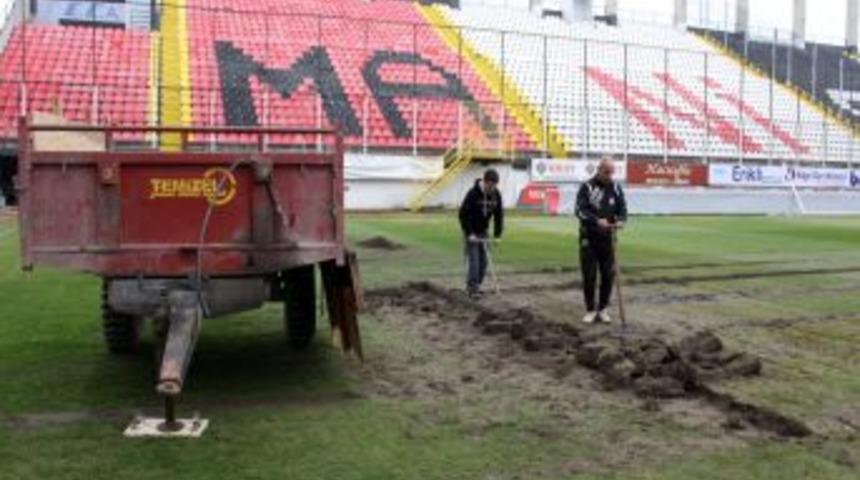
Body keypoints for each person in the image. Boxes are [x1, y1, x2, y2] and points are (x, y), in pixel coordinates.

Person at [575, 157, 627, 323]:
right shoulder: (587, 187)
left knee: (607, 275)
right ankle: (590, 309)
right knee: (589, 276)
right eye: (607, 172)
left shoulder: (616, 188)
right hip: (589, 238)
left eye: (612, 172)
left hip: (608, 239)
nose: (609, 176)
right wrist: (596, 221)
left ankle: (603, 309)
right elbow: (580, 211)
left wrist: (621, 220)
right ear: (599, 170)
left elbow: (623, 209)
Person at [458, 169, 504, 299]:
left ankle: (476, 285)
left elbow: (499, 216)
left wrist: (497, 235)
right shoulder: (472, 194)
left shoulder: (496, 195)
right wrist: (469, 233)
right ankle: (472, 289)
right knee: (474, 260)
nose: (492, 188)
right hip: (471, 231)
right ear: (484, 182)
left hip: (483, 231)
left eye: (494, 186)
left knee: (484, 262)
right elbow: (462, 215)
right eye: (490, 185)